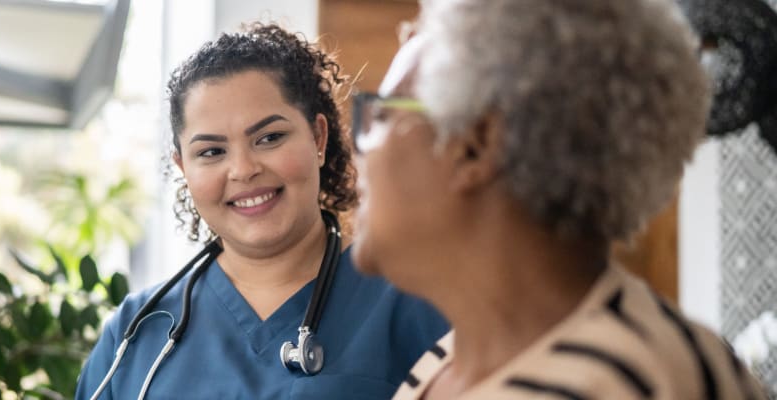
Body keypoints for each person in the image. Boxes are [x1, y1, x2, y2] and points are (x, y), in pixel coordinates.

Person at [349, 0, 767, 399]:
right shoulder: (447, 359)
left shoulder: (627, 383)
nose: (358, 151)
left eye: (381, 115)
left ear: (473, 144)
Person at [75, 23, 449, 400]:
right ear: (183, 167)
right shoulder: (136, 332)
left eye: (269, 138)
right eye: (211, 152)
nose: (243, 169)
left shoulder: (414, 302)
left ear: (318, 139)